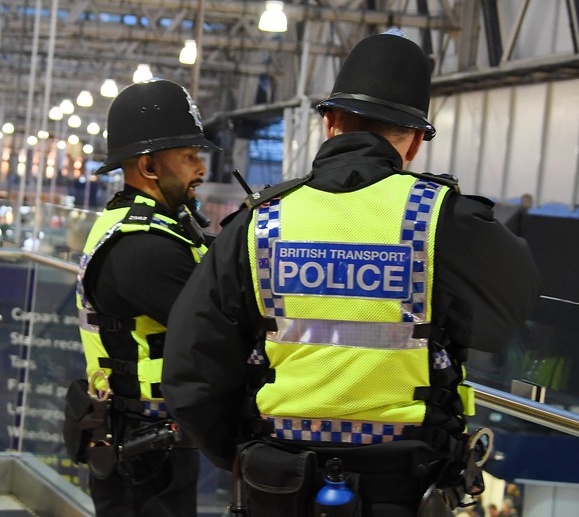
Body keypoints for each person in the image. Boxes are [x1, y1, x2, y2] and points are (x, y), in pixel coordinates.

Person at [161, 30, 540, 517]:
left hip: (278, 483)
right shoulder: (444, 221)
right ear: (417, 143)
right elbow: (509, 312)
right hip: (405, 485)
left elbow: (191, 374)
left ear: (330, 122)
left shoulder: (261, 223)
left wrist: (250, 456)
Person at [69, 78, 219, 517]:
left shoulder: (152, 227)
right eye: (190, 157)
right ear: (150, 167)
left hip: (150, 435)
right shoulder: (143, 248)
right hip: (143, 448)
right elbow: (217, 324)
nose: (201, 169)